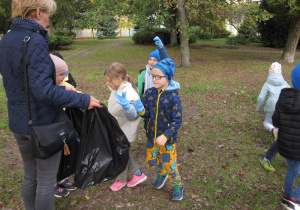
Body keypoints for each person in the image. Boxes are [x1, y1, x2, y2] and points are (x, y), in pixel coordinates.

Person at [0, 1, 101, 209]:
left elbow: (25, 83)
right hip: (42, 124)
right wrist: (82, 99)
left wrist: (64, 89)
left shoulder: (6, 39)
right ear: (38, 12)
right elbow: (42, 91)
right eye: (48, 14)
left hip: (19, 123)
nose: (48, 19)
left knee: (30, 175)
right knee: (46, 180)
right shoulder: (35, 40)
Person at [134, 58, 183, 200]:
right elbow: (147, 114)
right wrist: (141, 110)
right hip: (151, 137)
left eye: (158, 77)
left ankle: (177, 186)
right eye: (153, 76)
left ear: (167, 77)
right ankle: (162, 173)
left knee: (170, 165)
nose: (154, 79)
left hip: (167, 140)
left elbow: (177, 120)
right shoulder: (149, 93)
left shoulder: (173, 97)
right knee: (151, 161)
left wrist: (166, 136)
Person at [104, 62, 147, 191]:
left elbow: (133, 116)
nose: (107, 83)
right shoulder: (118, 88)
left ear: (119, 79)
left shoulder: (130, 95)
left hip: (125, 131)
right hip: (119, 128)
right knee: (121, 153)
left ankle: (121, 180)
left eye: (108, 80)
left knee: (121, 154)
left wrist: (127, 107)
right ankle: (138, 174)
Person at [50, 54, 79, 198]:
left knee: (61, 154)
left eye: (65, 74)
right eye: (61, 74)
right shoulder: (44, 89)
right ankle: (52, 183)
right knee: (51, 156)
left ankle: (60, 177)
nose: (64, 77)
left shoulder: (62, 84)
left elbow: (75, 93)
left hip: (60, 126)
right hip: (48, 130)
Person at [273, 63, 300, 210]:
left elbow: (276, 121)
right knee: (295, 169)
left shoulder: (284, 96)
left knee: (293, 170)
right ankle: (295, 200)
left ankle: (286, 197)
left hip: (285, 146)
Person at [256, 62, 290, 172]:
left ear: (270, 72)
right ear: (280, 72)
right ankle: (278, 130)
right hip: (283, 107)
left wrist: (258, 108)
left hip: (271, 107)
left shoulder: (267, 83)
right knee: (281, 121)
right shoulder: (285, 83)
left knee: (267, 121)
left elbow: (261, 97)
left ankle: (273, 129)